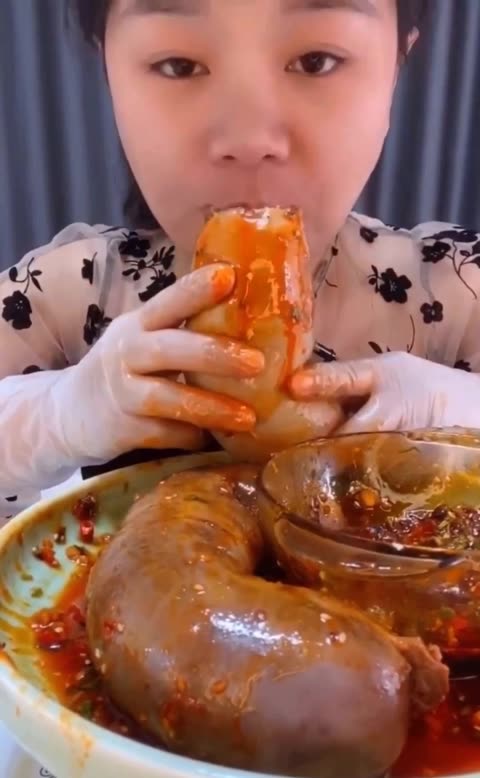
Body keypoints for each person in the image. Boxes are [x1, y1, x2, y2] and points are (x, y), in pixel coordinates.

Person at [1, 0, 480, 522]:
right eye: (179, 65)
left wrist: (459, 414)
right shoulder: (65, 294)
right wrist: (50, 418)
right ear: (109, 70)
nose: (249, 140)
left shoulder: (458, 291)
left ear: (395, 67)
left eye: (315, 61)